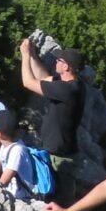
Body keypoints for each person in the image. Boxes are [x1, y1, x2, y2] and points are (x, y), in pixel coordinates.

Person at [20, 35, 84, 189]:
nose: (56, 61)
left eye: (59, 61)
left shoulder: (67, 90)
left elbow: (28, 82)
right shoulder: (70, 85)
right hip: (58, 153)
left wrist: (25, 56)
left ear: (66, 67)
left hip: (61, 158)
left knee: (59, 200)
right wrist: (33, 55)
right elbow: (43, 77)